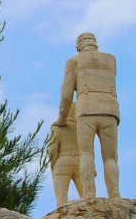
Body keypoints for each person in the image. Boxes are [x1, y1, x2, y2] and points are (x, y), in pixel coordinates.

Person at [55, 32, 120, 199]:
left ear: (79, 47)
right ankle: (115, 194)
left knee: (86, 154)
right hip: (110, 110)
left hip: (86, 110)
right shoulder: (111, 60)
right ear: (95, 44)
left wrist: (62, 119)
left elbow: (66, 95)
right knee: (110, 158)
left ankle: (89, 195)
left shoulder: (74, 62)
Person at [48, 102, 90, 207]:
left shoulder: (57, 127)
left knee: (61, 197)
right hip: (80, 162)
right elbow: (88, 150)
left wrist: (52, 164)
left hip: (62, 163)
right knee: (87, 196)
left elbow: (52, 148)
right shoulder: (82, 128)